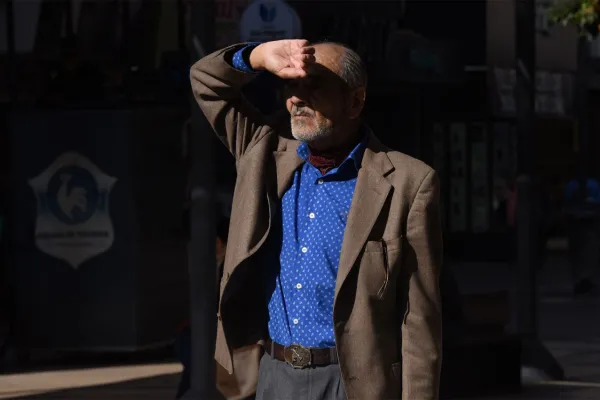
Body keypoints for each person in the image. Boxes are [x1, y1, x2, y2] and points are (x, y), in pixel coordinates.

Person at [190, 40, 443, 400]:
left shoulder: (408, 182)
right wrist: (259, 57)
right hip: (273, 376)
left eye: (315, 86)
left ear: (355, 101)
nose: (297, 98)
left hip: (353, 382)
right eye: (292, 86)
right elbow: (204, 80)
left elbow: (419, 319)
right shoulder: (263, 152)